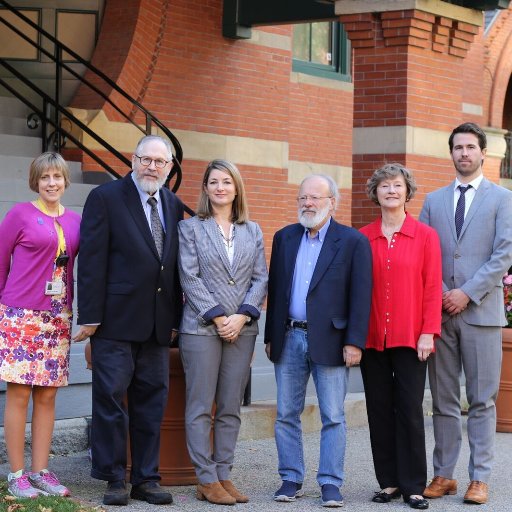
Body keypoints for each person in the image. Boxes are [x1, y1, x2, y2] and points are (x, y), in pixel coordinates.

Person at [74, 135, 184, 506]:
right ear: (133, 159)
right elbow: (90, 262)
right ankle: (113, 478)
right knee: (111, 402)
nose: (152, 167)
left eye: (160, 162)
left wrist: (176, 321)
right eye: (145, 159)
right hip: (114, 322)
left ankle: (146, 478)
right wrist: (89, 317)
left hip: (157, 325)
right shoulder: (105, 197)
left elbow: (175, 270)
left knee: (151, 403)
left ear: (170, 168)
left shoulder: (173, 203)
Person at [264, 174, 372, 508]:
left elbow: (361, 295)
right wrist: (271, 336)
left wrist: (355, 341)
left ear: (332, 202)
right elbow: (276, 290)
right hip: (289, 335)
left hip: (333, 339)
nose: (308, 204)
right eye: (303, 198)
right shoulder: (284, 237)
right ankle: (291, 478)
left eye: (315, 198)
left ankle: (330, 482)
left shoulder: (352, 241)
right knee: (286, 413)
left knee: (333, 416)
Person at [419, 122, 512, 505]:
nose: (464, 153)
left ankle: (479, 478)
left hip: (481, 315)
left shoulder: (502, 199)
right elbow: (423, 254)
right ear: (451, 153)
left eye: (470, 147)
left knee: (481, 400)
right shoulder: (433, 200)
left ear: (483, 153)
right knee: (442, 400)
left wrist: (466, 293)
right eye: (458, 147)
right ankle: (443, 474)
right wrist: (443, 293)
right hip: (439, 315)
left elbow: (504, 253)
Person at [178, 159, 268, 505]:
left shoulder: (252, 230)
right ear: (205, 188)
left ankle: (224, 473)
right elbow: (189, 277)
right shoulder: (191, 229)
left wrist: (242, 317)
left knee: (230, 405)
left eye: (226, 182)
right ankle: (205, 478)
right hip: (201, 329)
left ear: (236, 188)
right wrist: (218, 317)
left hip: (242, 330)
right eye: (213, 182)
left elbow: (260, 278)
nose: (220, 188)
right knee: (201, 405)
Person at [359, 164, 442, 510]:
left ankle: (413, 485)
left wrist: (428, 332)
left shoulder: (425, 236)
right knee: (378, 410)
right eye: (384, 186)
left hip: (412, 338)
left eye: (397, 185)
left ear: (407, 192)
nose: (391, 191)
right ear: (375, 193)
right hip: (372, 336)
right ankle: (389, 481)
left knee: (408, 410)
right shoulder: (362, 238)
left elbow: (433, 287)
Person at [0, 152, 80, 498]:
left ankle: (40, 471)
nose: (52, 183)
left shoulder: (76, 221)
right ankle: (16, 474)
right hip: (21, 315)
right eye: (45, 177)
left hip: (58, 317)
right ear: (36, 181)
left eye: (57, 177)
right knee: (19, 394)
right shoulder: (20, 214)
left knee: (48, 396)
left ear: (65, 181)